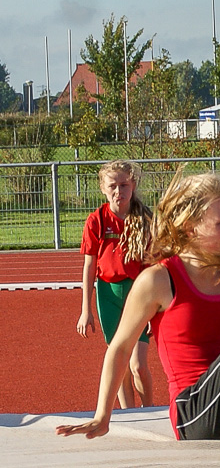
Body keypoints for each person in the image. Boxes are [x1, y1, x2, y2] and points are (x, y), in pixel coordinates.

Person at [57, 170, 220, 444]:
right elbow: (121, 346)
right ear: (190, 227)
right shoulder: (159, 280)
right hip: (194, 416)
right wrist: (103, 415)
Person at [77, 160, 154, 409]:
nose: (118, 191)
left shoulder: (145, 219)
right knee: (118, 361)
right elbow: (90, 266)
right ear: (103, 188)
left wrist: (156, 309)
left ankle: (152, 409)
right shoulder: (96, 220)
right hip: (108, 295)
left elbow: (155, 265)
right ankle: (129, 415)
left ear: (133, 186)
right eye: (113, 185)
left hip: (139, 294)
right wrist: (86, 311)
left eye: (124, 185)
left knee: (138, 365)